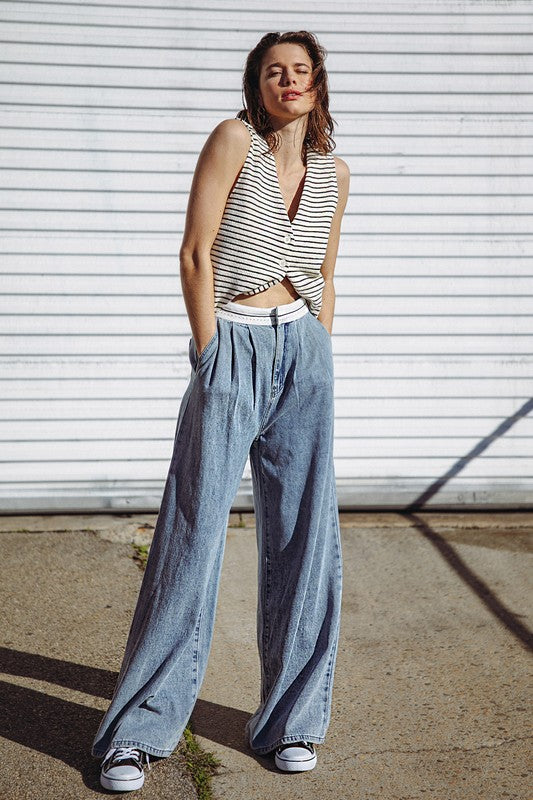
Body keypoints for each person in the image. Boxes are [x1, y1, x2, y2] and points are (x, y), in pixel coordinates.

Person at [91, 29, 350, 791]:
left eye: (301, 70)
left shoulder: (335, 172)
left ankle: (292, 724)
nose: (289, 80)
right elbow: (195, 252)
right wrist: (209, 352)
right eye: (275, 71)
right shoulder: (234, 139)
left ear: (317, 83)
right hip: (232, 343)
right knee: (193, 535)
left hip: (302, 350)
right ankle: (137, 733)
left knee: (307, 540)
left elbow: (325, 271)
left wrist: (319, 349)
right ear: (257, 83)